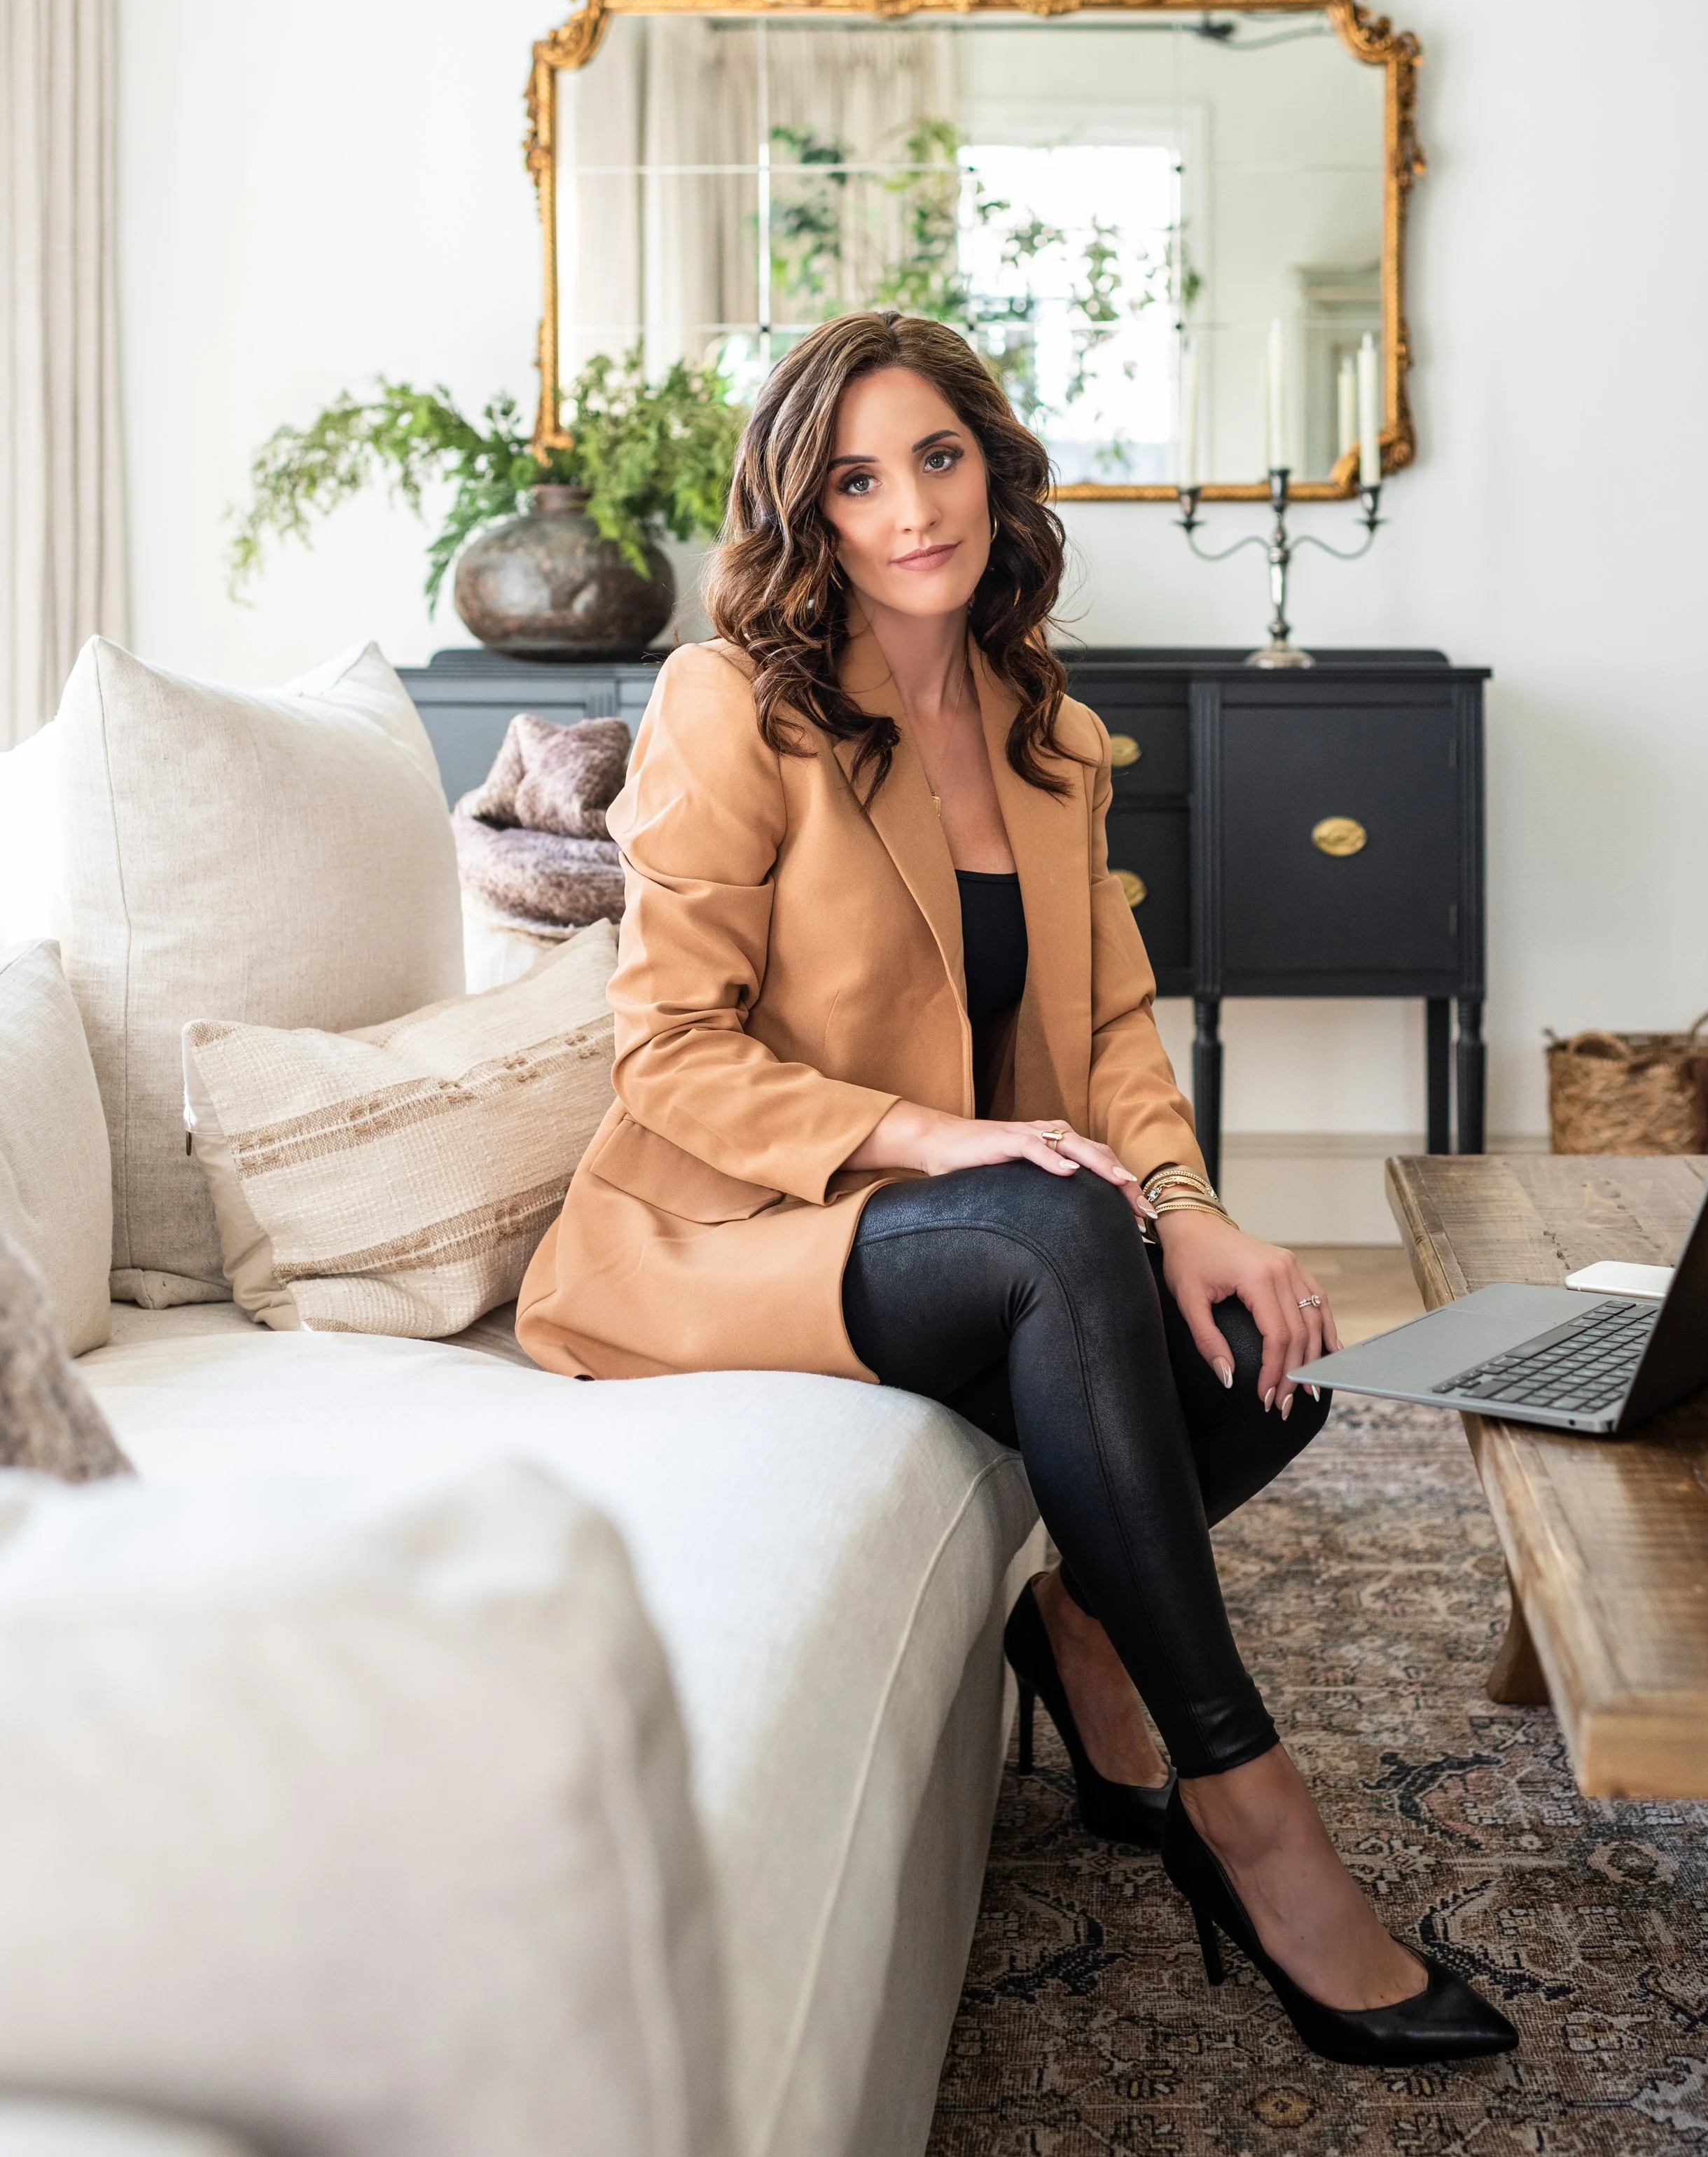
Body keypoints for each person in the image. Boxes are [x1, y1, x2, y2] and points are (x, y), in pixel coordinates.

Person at [518, 312, 1515, 2067]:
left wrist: (1191, 1204)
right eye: (855, 477)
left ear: (992, 465)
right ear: (805, 512)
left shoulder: (1045, 726)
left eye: (937, 457)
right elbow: (666, 1051)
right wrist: (938, 1140)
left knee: (1264, 1340)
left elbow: (1114, 1023)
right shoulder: (729, 704)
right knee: (1061, 1233)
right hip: (736, 1234)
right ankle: (1257, 1823)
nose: (909, 509)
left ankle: (1077, 1614)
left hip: (963, 1229)